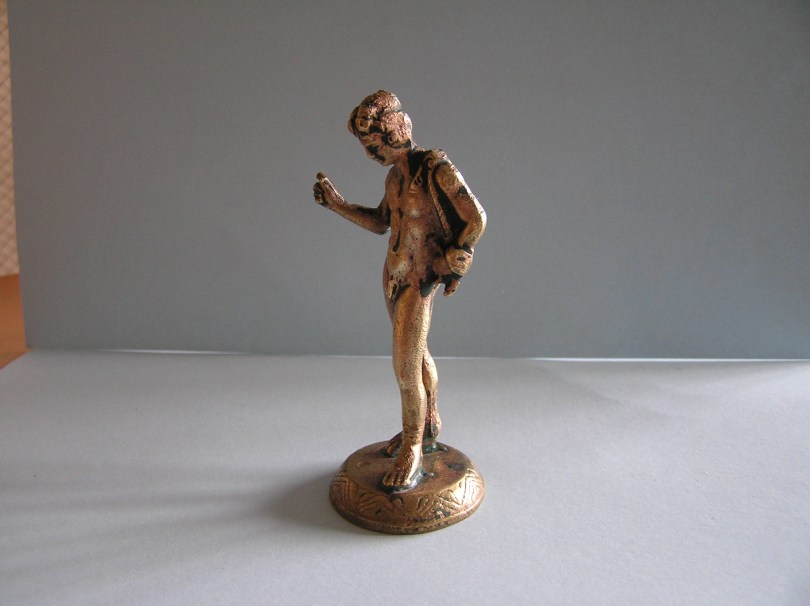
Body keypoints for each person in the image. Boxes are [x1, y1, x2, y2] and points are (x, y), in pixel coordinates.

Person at [313, 91, 486, 489]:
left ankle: (412, 450)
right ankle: (428, 426)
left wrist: (456, 256)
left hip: (419, 279)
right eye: (366, 149)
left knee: (406, 370)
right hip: (393, 275)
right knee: (418, 355)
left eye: (376, 146)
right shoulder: (394, 178)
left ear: (395, 133)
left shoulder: (436, 167)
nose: (372, 155)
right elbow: (381, 223)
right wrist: (337, 205)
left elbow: (476, 218)